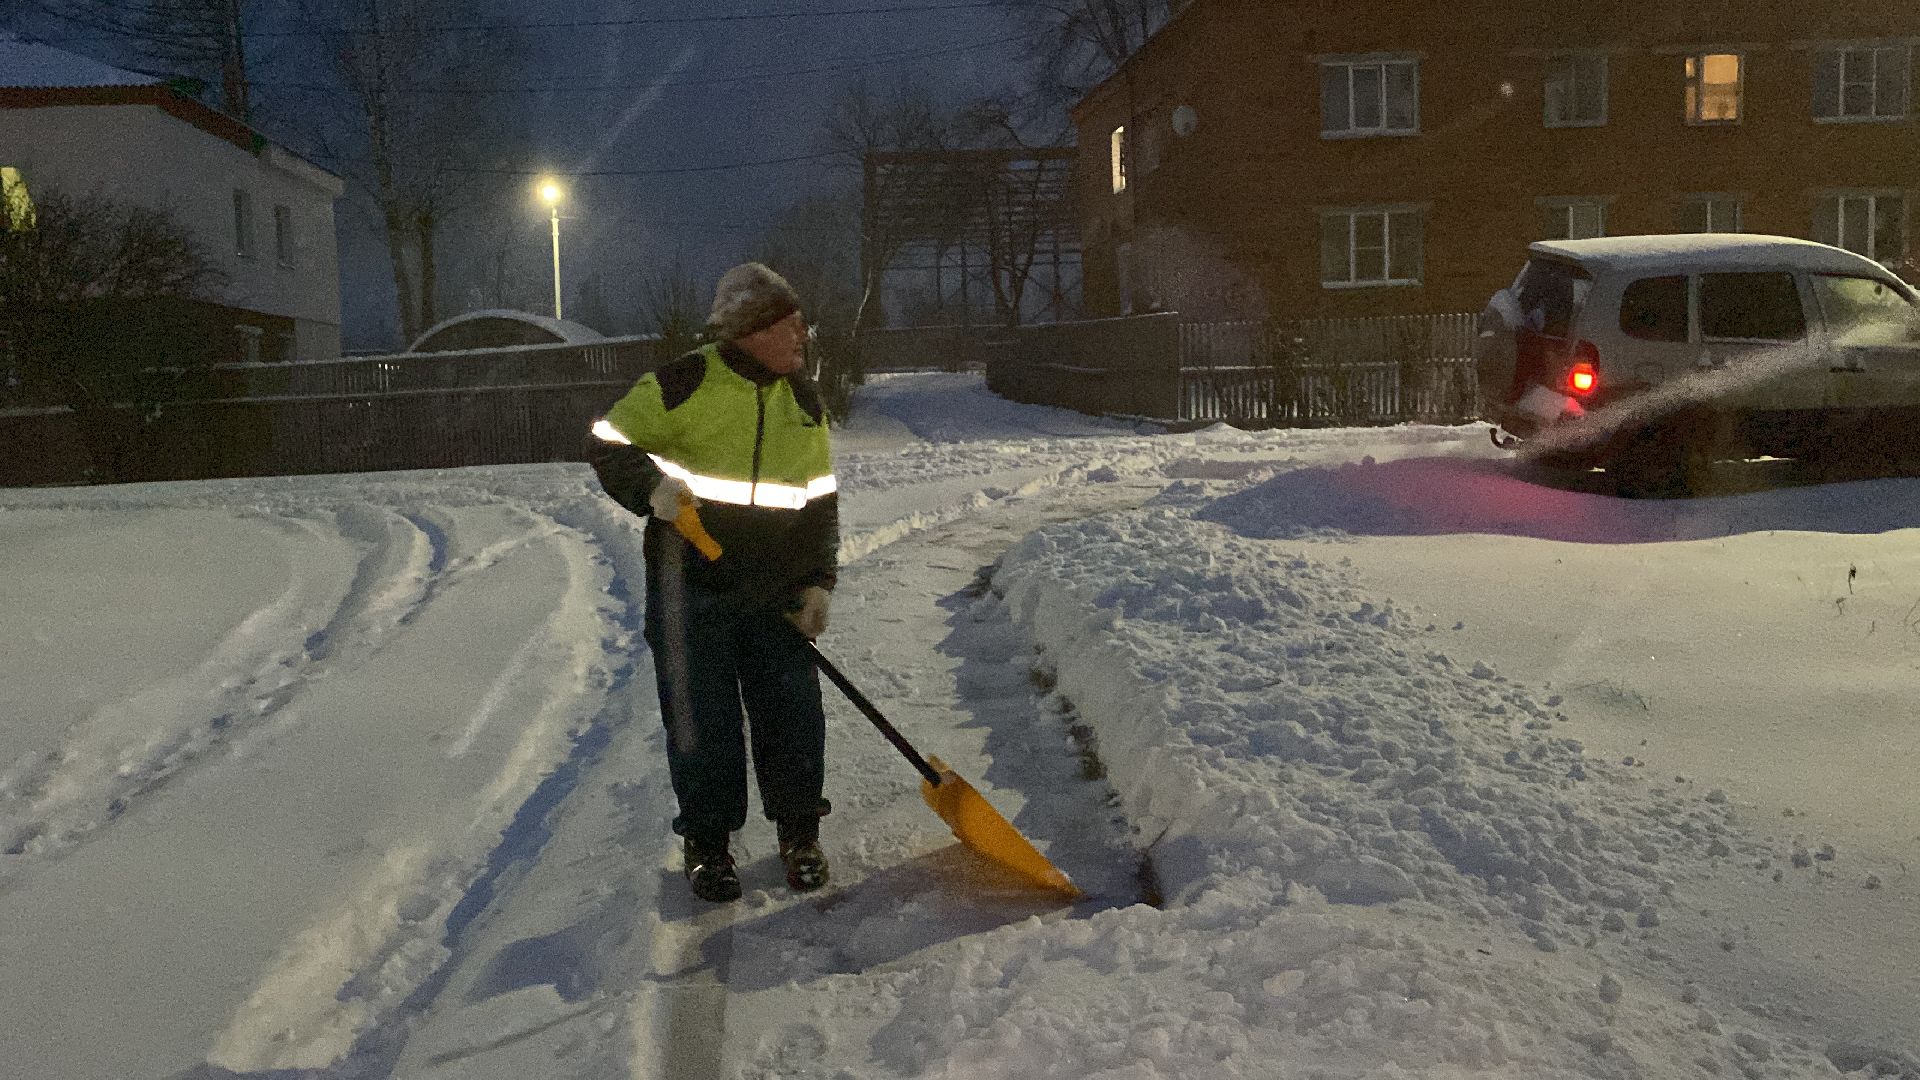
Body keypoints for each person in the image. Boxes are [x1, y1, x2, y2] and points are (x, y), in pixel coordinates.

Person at [586, 262, 838, 903]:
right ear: (752, 330)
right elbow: (608, 440)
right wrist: (652, 490)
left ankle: (799, 835)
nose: (801, 337)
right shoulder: (685, 380)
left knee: (793, 715)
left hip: (775, 587)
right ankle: (709, 847)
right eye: (789, 326)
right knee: (703, 722)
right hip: (689, 587)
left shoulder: (802, 401)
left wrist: (818, 582)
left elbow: (819, 502)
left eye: (801, 326)